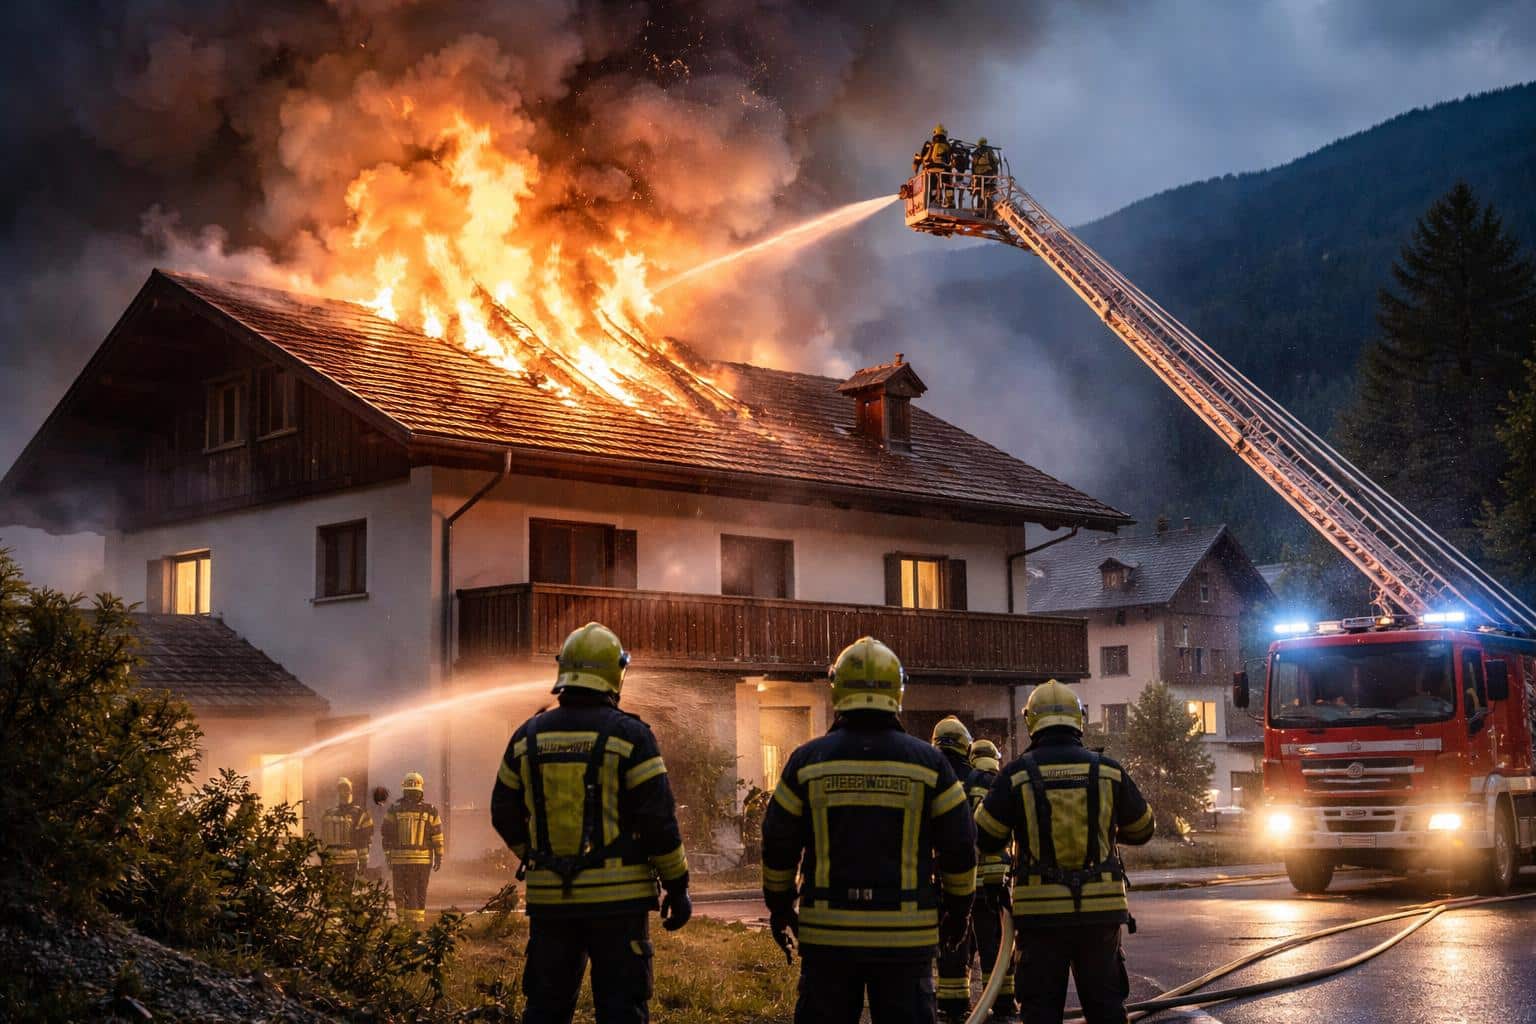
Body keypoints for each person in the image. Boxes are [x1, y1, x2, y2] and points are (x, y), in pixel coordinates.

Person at [761, 637, 976, 1024]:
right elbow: (960, 847)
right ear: (898, 690)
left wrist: (779, 906)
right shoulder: (929, 765)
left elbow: (778, 843)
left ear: (837, 688)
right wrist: (958, 912)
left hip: (828, 939)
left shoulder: (807, 761)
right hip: (906, 941)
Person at [490, 622, 691, 1024]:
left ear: (563, 670)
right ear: (616, 673)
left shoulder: (527, 736)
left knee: (546, 1011)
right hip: (619, 906)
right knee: (621, 1011)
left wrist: (534, 855)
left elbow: (503, 811)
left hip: (551, 903)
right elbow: (659, 822)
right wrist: (677, 885)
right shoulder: (631, 736)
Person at [975, 681, 1155, 1024]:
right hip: (1101, 913)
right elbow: (1143, 828)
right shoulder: (1108, 771)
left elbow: (985, 836)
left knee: (1041, 1011)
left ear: (1031, 721)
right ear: (1079, 719)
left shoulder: (1016, 775)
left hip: (1039, 917)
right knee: (1106, 1010)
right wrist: (1106, 829)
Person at [966, 739, 1017, 1022]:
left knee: (978, 945)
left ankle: (982, 1003)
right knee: (1000, 945)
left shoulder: (966, 783)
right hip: (1000, 878)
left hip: (973, 879)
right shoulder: (1002, 783)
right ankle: (1004, 1003)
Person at [930, 715, 976, 1023]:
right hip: (968, 875)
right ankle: (957, 1006)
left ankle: (939, 1003)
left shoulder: (927, 775)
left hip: (927, 877)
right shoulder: (974, 778)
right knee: (960, 940)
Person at [382, 770, 444, 928]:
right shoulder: (430, 810)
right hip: (422, 862)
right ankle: (416, 926)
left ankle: (403, 924)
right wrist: (439, 856)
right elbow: (437, 835)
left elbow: (386, 834)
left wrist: (388, 855)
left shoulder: (394, 809)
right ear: (420, 790)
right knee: (419, 892)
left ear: (405, 789)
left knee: (401, 891)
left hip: (400, 861)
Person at [319, 775, 373, 884]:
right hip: (332, 861)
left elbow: (365, 839)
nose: (344, 792)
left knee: (346, 891)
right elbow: (322, 838)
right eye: (341, 789)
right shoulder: (328, 813)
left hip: (350, 860)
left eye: (346, 789)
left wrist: (363, 861)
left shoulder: (360, 814)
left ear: (351, 791)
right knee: (331, 891)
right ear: (338, 791)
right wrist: (323, 859)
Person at [919, 124, 952, 205]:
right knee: (948, 185)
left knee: (931, 187)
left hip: (930, 170)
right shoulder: (947, 145)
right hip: (943, 169)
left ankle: (931, 201)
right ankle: (949, 200)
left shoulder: (929, 144)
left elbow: (922, 157)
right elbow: (949, 160)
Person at [971, 138, 1000, 214]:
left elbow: (973, 165)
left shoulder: (976, 152)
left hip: (978, 176)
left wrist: (973, 176)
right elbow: (996, 162)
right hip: (988, 175)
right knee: (989, 194)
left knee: (979, 192)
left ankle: (979, 210)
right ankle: (990, 211)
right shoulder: (989, 151)